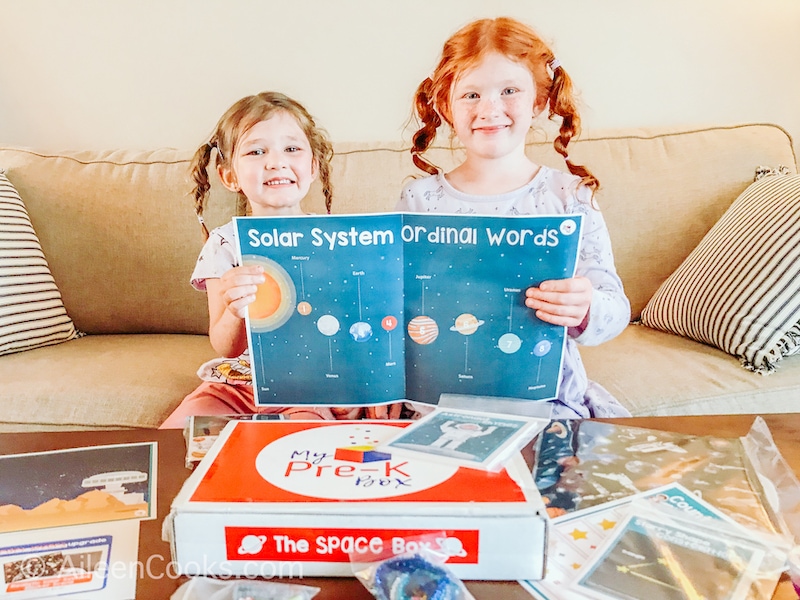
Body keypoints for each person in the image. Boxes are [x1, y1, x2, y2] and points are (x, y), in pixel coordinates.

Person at [397, 17, 631, 419]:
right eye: (470, 94)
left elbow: (614, 309)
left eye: (510, 91)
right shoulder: (420, 198)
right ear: (446, 107)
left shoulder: (568, 196)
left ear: (539, 101)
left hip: (544, 401)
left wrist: (585, 305)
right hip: (442, 401)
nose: (490, 109)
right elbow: (403, 303)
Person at [161, 91, 363, 428]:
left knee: (305, 437)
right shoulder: (224, 244)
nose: (276, 162)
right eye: (256, 151)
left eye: (292, 149)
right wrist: (235, 309)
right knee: (180, 432)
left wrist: (352, 391)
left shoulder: (337, 239)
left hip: (307, 386)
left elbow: (350, 331)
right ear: (229, 176)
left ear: (313, 166)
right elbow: (225, 346)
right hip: (238, 384)